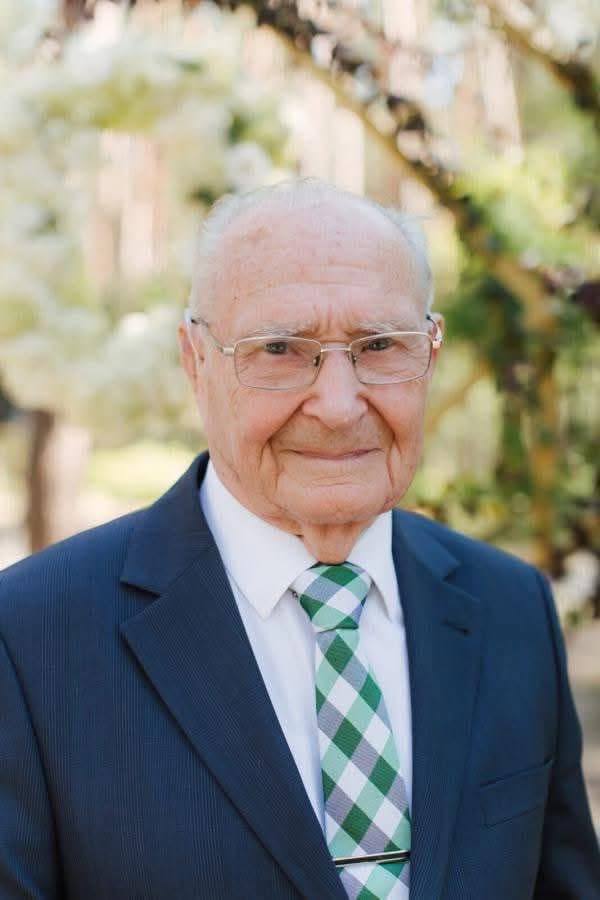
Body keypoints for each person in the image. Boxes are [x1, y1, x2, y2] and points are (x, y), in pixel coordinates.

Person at [0, 179, 598, 900]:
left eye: (380, 345)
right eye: (280, 349)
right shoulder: (28, 638)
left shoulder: (511, 607)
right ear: (195, 361)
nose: (339, 406)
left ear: (430, 354)